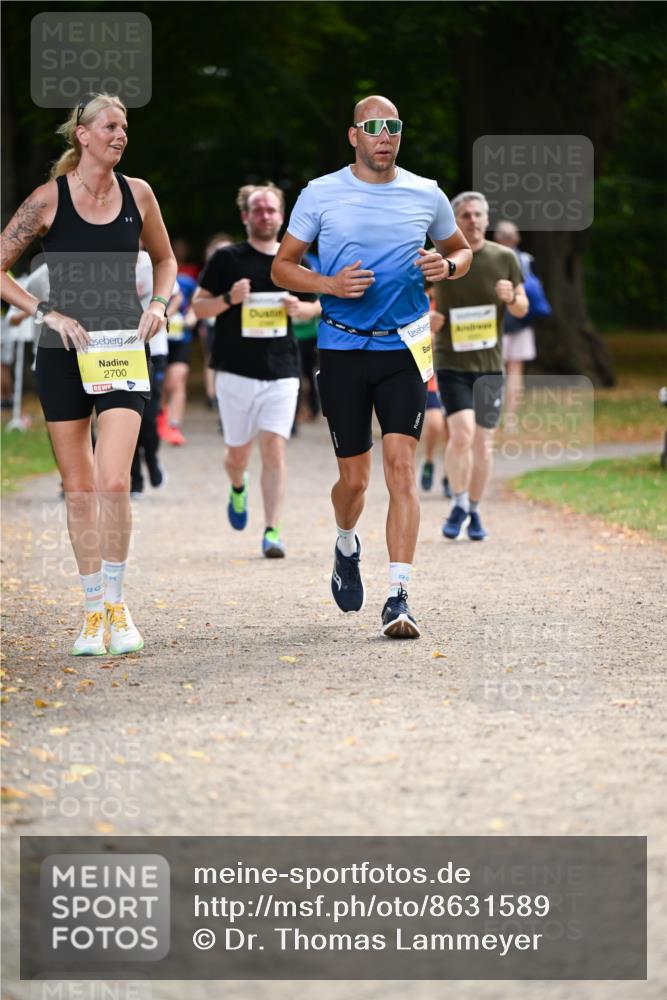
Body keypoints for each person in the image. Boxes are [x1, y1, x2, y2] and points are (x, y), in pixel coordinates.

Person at [272, 95, 471, 638]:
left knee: (402, 471)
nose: (385, 135)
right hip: (342, 349)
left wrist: (447, 264)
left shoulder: (426, 193)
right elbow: (282, 268)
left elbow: (461, 250)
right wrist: (329, 285)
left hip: (404, 349)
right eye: (374, 127)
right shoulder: (321, 193)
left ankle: (399, 595)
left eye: (394, 127)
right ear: (354, 135)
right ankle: (345, 542)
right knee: (354, 482)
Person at [0, 93, 177, 655]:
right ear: (82, 135)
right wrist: (45, 312)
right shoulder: (48, 200)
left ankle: (120, 607)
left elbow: (167, 260)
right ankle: (92, 610)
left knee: (113, 481)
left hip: (123, 347)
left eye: (125, 127)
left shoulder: (139, 194)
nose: (121, 135)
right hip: (60, 352)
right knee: (78, 490)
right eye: (111, 126)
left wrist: (159, 305)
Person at [192, 183, 320, 558]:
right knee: (237, 455)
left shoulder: (295, 261)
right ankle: (237, 486)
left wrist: (302, 309)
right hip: (234, 370)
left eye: (271, 210)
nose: (265, 215)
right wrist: (229, 299)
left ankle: (272, 530)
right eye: (258, 210)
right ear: (246, 216)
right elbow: (199, 309)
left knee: (274, 449)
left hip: (281, 370)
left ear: (282, 216)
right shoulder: (227, 260)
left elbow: (318, 306)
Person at [433, 192, 528, 541]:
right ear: (455, 221)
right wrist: (426, 317)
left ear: (487, 220)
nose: (472, 220)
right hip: (450, 361)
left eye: (478, 215)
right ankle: (457, 501)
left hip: (489, 364)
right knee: (461, 434)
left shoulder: (505, 257)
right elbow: (414, 298)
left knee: (484, 443)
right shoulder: (442, 258)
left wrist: (512, 297)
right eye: (465, 215)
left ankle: (473, 509)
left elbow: (522, 307)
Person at [130, 248, 182, 497]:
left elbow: (177, 295)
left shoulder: (152, 261)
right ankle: (134, 478)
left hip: (154, 350)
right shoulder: (105, 260)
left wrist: (162, 313)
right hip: (119, 351)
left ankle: (151, 457)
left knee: (149, 416)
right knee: (125, 417)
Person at [493, 219, 538, 423]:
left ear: (497, 238)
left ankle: (493, 414)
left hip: (497, 323)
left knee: (494, 370)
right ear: (517, 238)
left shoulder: (491, 259)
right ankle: (510, 418)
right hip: (522, 322)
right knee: (516, 371)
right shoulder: (526, 259)